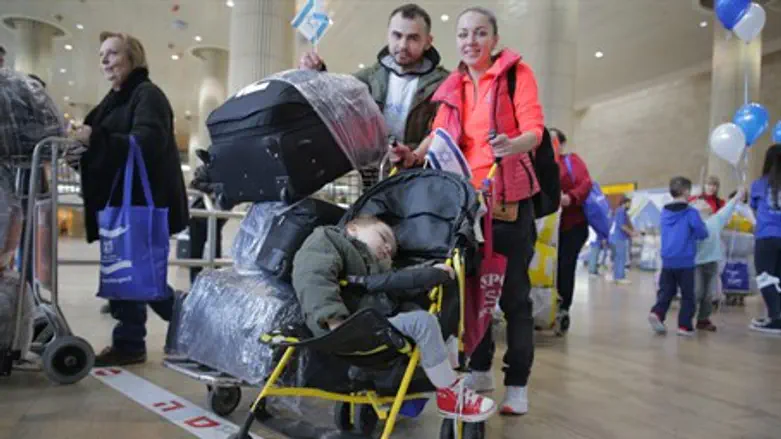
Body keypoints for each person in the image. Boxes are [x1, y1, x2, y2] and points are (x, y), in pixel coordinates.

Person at [394, 6, 544, 415]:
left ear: (494, 39)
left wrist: (512, 145)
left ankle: (517, 384)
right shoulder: (454, 84)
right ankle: (479, 369)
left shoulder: (515, 75)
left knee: (513, 297)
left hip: (507, 202)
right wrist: (413, 154)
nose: (470, 41)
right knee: (470, 292)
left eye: (479, 33)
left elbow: (535, 129)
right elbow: (439, 135)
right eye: (463, 34)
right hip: (464, 204)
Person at [292, 216, 497, 422]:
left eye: (392, 250)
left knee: (423, 320)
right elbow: (313, 276)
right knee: (423, 322)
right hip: (341, 326)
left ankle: (441, 381)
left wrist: (430, 271)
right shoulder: (329, 239)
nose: (388, 247)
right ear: (352, 228)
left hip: (370, 327)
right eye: (383, 237)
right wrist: (333, 319)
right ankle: (450, 394)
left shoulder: (378, 267)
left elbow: (398, 283)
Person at [73, 32, 189, 366]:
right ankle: (137, 338)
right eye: (101, 55)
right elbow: (99, 147)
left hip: (139, 202)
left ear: (132, 58)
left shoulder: (147, 95)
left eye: (112, 53)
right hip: (119, 203)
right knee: (128, 272)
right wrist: (80, 152)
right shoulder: (112, 101)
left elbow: (147, 142)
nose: (104, 60)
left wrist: (96, 139)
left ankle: (179, 322)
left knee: (136, 274)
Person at [299, 3, 448, 189]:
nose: (403, 45)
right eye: (397, 35)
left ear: (428, 41)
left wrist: (412, 154)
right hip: (373, 177)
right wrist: (316, 72)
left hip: (420, 177)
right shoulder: (369, 78)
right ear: (388, 35)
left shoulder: (445, 84)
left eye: (413, 38)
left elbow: (443, 135)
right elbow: (335, 97)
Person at [648, 177, 708, 336]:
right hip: (685, 261)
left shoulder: (664, 212)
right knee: (688, 295)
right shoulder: (691, 212)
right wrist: (701, 216)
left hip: (667, 260)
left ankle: (657, 313)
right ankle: (684, 326)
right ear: (686, 191)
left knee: (666, 291)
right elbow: (702, 233)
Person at [554, 128, 593, 333]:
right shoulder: (538, 163)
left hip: (571, 225)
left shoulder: (571, 161)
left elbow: (586, 183)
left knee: (564, 267)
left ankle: (562, 308)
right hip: (546, 228)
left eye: (554, 141)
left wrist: (570, 197)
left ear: (562, 144)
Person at [692, 188, 744, 332]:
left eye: (705, 202)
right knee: (697, 292)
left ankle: (703, 319)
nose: (704, 203)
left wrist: (737, 196)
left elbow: (727, 208)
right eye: (699, 202)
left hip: (712, 262)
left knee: (710, 294)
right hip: (696, 264)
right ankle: (687, 319)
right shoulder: (691, 223)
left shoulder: (716, 219)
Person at [748, 144, 781, 334]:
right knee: (779, 278)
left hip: (767, 236)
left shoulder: (759, 184)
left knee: (765, 278)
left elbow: (753, 208)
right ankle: (775, 316)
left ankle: (776, 319)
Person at [608, 196, 638, 284]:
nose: (630, 205)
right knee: (621, 258)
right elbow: (622, 226)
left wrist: (633, 231)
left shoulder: (619, 211)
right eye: (629, 203)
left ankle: (616, 277)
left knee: (618, 258)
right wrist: (631, 233)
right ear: (625, 203)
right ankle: (620, 277)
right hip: (619, 238)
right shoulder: (621, 211)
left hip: (615, 238)